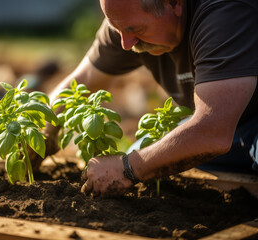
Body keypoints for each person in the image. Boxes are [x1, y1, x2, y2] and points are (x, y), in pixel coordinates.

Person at [39, 0, 258, 197]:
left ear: (174, 4)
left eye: (135, 29)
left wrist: (127, 168)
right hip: (224, 128)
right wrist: (45, 131)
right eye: (117, 29)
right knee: (145, 149)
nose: (125, 43)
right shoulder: (126, 20)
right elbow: (82, 79)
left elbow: (213, 130)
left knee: (138, 163)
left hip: (240, 125)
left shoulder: (224, 14)